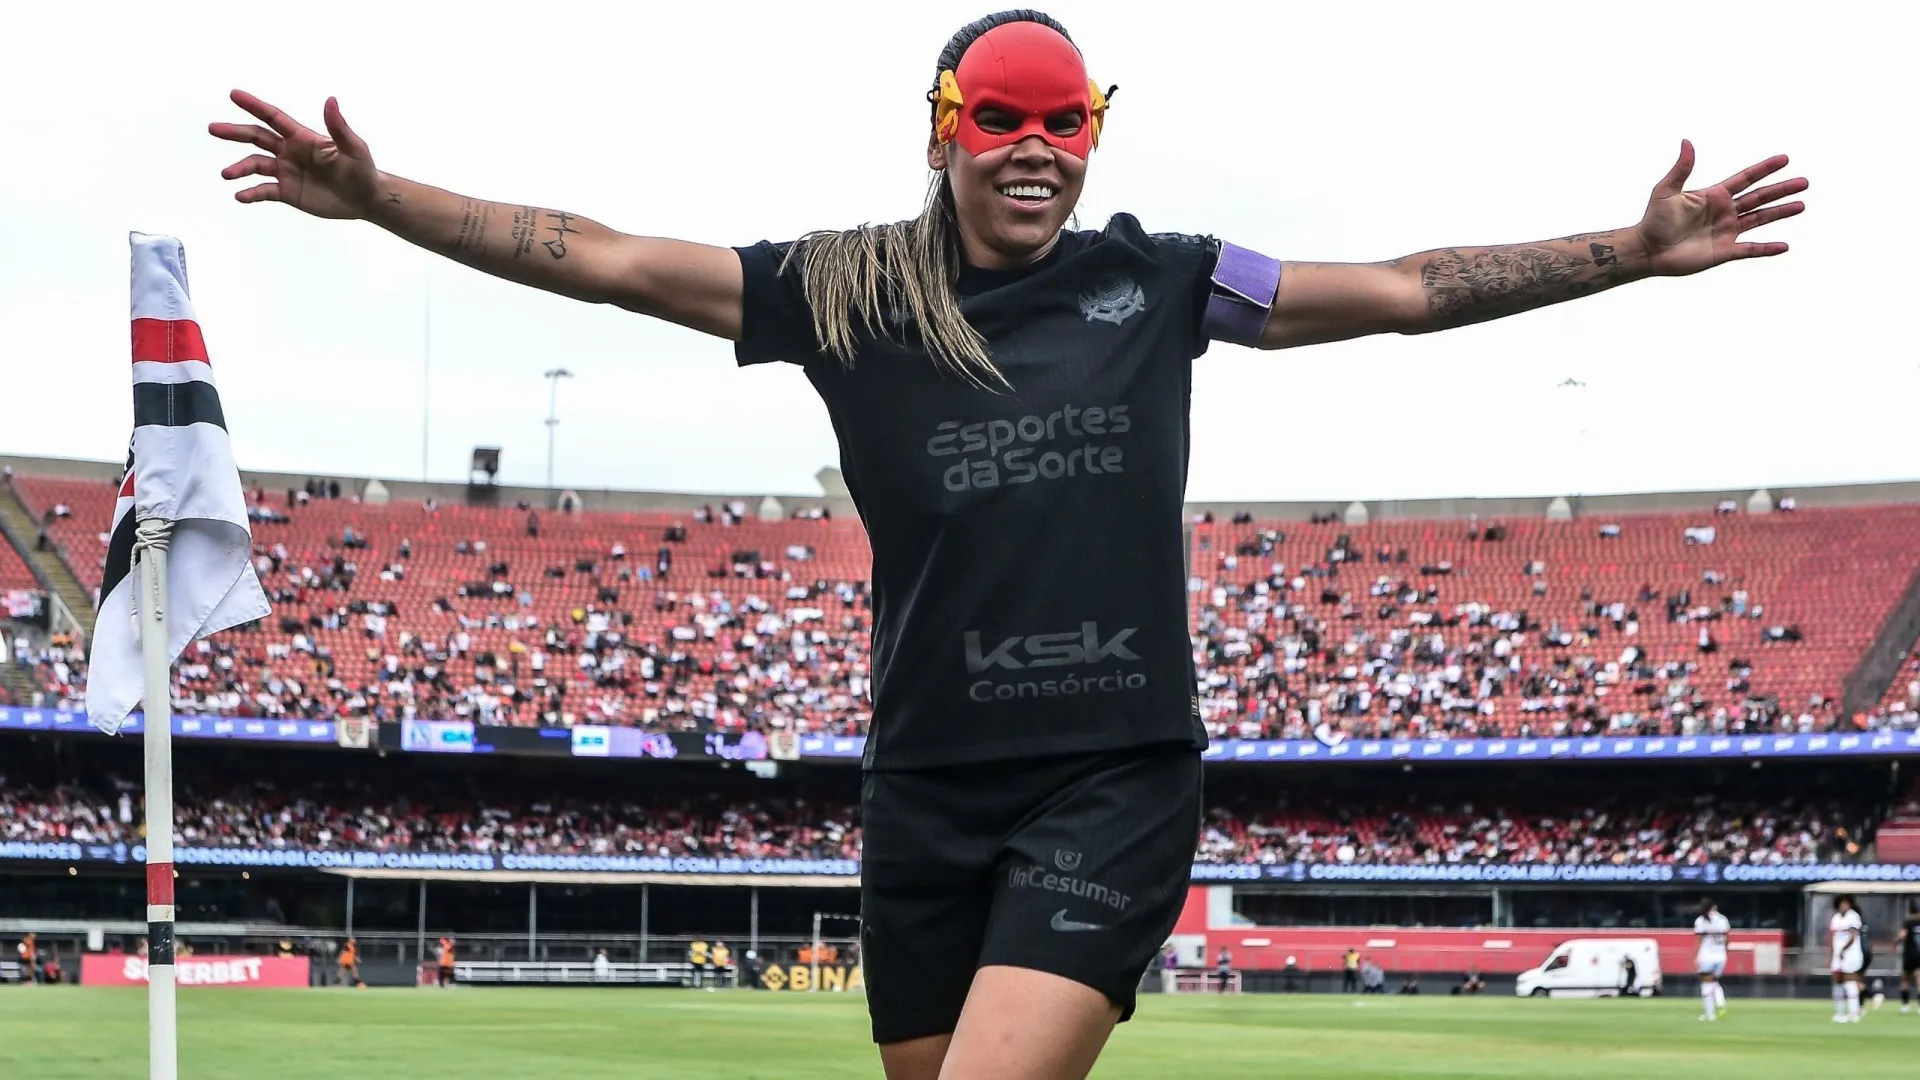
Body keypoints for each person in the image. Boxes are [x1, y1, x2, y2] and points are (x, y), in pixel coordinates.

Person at [209, 9, 1805, 1077]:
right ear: (943, 131)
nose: (1036, 145)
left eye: (1067, 119)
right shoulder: (843, 290)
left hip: (1108, 777)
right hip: (921, 788)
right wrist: (385, 199)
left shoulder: (1168, 279)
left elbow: (1399, 289)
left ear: (1094, 134)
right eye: (1000, 117)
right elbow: (611, 258)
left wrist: (1629, 249)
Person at [1694, 897, 1730, 1021]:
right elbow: (1727, 939)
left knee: (1706, 985)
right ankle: (1720, 1003)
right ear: (1714, 906)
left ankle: (1710, 1014)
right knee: (1714, 982)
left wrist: (1696, 957)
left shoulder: (1701, 921)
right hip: (1721, 956)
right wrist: (1726, 954)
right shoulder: (1723, 919)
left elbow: (1699, 940)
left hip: (1707, 956)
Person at [1831, 894, 1865, 1024]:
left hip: (1851, 954)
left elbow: (1853, 936)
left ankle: (1854, 1013)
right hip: (1837, 955)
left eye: (1847, 903)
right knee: (1838, 982)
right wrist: (1834, 953)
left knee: (1850, 982)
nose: (1844, 906)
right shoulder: (1835, 918)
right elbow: (1833, 937)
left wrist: (1844, 949)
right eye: (1842, 903)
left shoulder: (1853, 916)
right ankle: (1839, 1012)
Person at [1900, 901, 1920, 1013]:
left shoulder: (1908, 922)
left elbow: (1902, 935)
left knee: (1906, 980)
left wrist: (1895, 942)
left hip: (1909, 954)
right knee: (1919, 980)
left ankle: (1905, 1005)